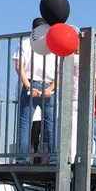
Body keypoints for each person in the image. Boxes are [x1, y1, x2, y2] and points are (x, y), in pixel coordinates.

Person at [14, 18, 58, 164]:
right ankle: (53, 159)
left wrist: (28, 87)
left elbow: (19, 67)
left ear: (32, 29)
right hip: (48, 86)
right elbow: (60, 71)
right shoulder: (52, 45)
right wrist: (51, 88)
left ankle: (22, 159)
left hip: (31, 84)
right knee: (51, 125)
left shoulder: (25, 43)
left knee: (25, 123)